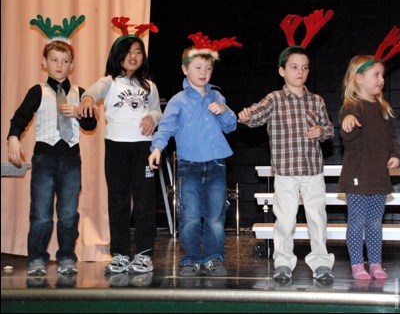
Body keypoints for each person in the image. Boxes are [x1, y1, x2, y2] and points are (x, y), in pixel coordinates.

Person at [7, 14, 96, 276]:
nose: (59, 65)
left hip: (70, 160)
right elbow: (20, 117)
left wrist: (81, 113)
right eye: (54, 60)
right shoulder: (37, 91)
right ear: (44, 63)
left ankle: (67, 255)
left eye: (65, 61)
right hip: (44, 160)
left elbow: (90, 127)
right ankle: (37, 258)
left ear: (72, 65)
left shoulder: (81, 93)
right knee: (42, 214)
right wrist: (13, 136)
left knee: (69, 214)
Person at [239, 45, 335, 283]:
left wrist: (321, 130)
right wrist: (246, 115)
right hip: (285, 171)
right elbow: (256, 114)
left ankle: (321, 263)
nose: (300, 72)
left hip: (312, 170)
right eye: (294, 67)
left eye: (304, 67)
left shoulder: (316, 100)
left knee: (317, 218)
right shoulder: (274, 98)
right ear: (282, 71)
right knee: (285, 220)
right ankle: (283, 262)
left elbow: (330, 129)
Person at [148, 32, 241, 277]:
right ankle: (190, 257)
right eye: (197, 67)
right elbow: (166, 127)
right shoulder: (178, 101)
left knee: (215, 217)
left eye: (208, 68)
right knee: (189, 217)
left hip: (216, 165)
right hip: (189, 166)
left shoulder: (217, 96)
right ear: (185, 69)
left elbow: (231, 126)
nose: (203, 72)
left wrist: (223, 111)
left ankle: (213, 257)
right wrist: (157, 147)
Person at [78, 17, 162, 275]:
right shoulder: (109, 82)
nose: (133, 56)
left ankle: (145, 254)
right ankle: (120, 254)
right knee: (118, 201)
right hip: (116, 147)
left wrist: (151, 117)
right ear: (118, 56)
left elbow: (158, 111)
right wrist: (89, 99)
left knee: (145, 202)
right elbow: (90, 93)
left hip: (144, 149)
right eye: (127, 52)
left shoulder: (150, 85)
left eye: (138, 52)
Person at [338, 55, 400, 280]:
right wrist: (348, 124)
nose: (381, 79)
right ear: (360, 78)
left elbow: (391, 138)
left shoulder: (383, 108)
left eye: (382, 75)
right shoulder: (351, 107)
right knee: (357, 221)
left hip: (378, 178)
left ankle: (375, 263)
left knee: (375, 223)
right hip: (357, 177)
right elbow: (347, 136)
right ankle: (357, 264)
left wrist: (395, 156)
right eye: (376, 75)